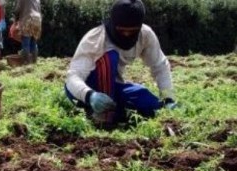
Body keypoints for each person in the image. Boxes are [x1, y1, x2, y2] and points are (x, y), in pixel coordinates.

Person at [65, 0, 177, 128]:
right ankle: (101, 119)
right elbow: (73, 77)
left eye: (132, 31)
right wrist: (89, 95)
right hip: (87, 88)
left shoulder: (145, 35)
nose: (127, 35)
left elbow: (160, 66)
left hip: (114, 86)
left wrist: (168, 98)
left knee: (151, 104)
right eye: (122, 30)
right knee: (110, 57)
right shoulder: (95, 39)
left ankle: (116, 112)